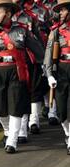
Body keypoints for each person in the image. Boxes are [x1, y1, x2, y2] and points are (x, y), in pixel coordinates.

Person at [0, 0, 44, 153]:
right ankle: (8, 130)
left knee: (15, 105)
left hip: (17, 70)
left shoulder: (21, 30)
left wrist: (45, 68)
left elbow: (38, 49)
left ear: (8, 14)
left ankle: (12, 140)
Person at [43, 0, 70, 154]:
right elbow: (48, 55)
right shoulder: (56, 31)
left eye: (63, 10)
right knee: (61, 109)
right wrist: (49, 75)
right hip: (61, 69)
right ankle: (67, 133)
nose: (60, 13)